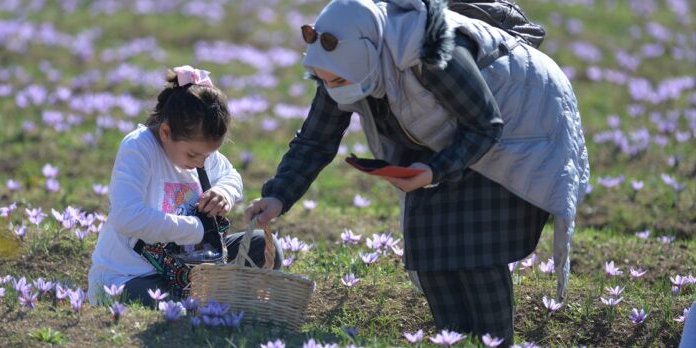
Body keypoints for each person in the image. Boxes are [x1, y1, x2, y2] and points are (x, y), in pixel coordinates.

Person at [244, 0, 589, 345]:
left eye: (337, 80)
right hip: (441, 134)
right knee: (430, 253)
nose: (332, 88)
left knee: (477, 255)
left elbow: (485, 126)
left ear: (368, 54)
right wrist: (278, 194)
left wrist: (434, 170)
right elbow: (315, 141)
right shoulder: (341, 63)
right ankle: (453, 339)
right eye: (324, 80)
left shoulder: (434, 53)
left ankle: (495, 340)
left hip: (516, 129)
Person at [88, 65, 282, 307]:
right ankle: (211, 302)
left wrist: (224, 192)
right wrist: (196, 229)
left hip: (192, 269)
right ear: (166, 132)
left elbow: (231, 175)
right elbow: (127, 217)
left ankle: (208, 299)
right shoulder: (139, 148)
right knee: (170, 306)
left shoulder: (201, 153)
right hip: (132, 275)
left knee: (264, 246)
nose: (201, 163)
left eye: (209, 155)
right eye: (193, 155)